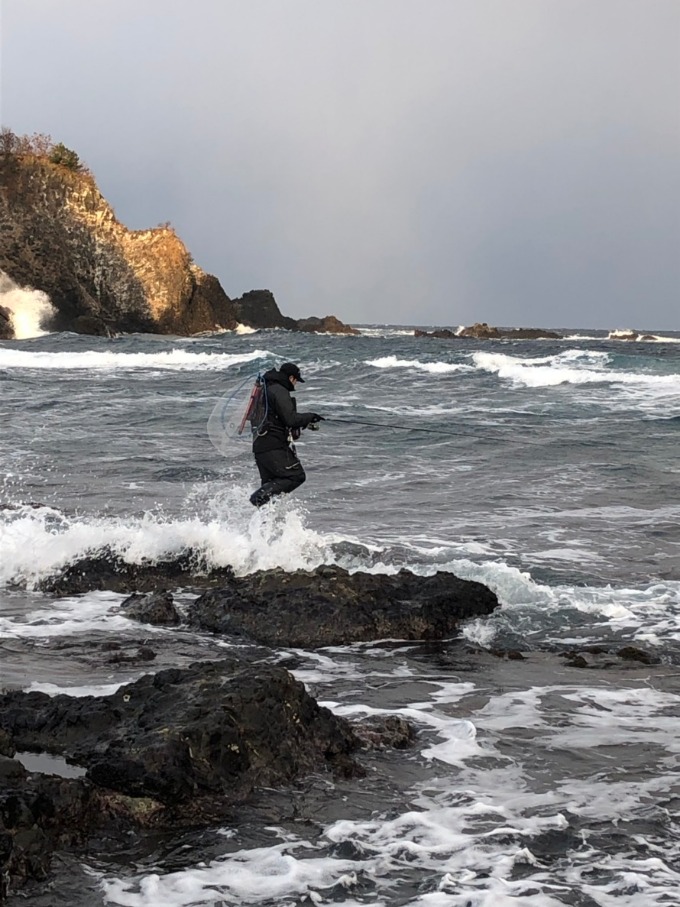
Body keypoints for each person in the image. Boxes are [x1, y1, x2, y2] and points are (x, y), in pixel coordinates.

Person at [249, 362, 323, 507]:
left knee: (271, 496)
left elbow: (276, 418)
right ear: (291, 378)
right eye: (296, 380)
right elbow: (291, 419)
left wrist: (305, 422)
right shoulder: (279, 390)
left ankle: (263, 526)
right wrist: (311, 416)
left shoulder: (265, 389)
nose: (296, 385)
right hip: (274, 446)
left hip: (260, 447)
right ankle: (256, 498)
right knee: (296, 476)